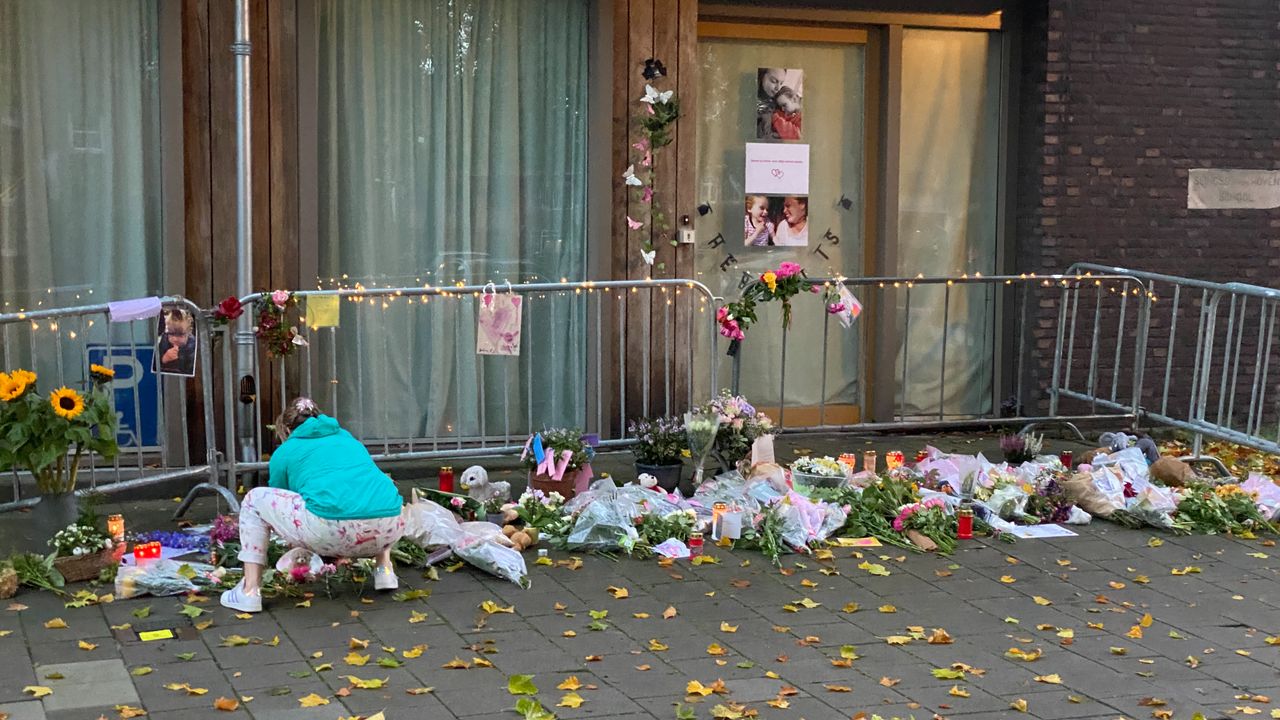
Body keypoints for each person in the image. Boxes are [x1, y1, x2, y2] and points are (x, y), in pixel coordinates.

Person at [220, 398, 406, 613]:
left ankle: (250, 590)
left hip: (332, 528)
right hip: (390, 527)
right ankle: (384, 570)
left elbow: (281, 496)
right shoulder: (347, 438)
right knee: (372, 494)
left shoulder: (286, 450)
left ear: (287, 429)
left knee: (254, 500)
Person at [156, 308, 197, 376]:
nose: (175, 339)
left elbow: (191, 370)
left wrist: (179, 358)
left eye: (180, 334)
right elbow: (154, 363)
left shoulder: (192, 345)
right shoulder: (164, 341)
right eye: (171, 333)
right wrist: (163, 359)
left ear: (188, 332)